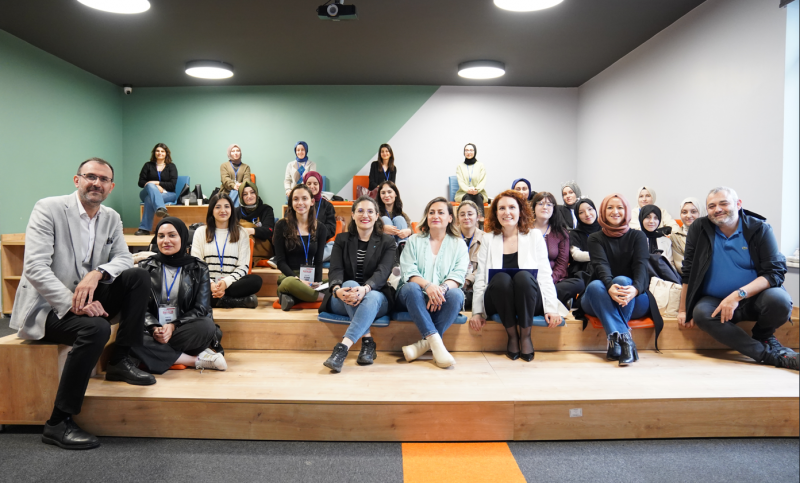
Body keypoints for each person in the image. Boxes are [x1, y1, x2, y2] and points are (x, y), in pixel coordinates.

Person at [10, 158, 156, 450]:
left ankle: (120, 360)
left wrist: (97, 272)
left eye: (103, 179)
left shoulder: (111, 217)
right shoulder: (49, 208)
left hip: (89, 295)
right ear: (77, 180)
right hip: (47, 306)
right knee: (96, 328)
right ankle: (58, 422)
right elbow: (35, 268)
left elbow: (123, 258)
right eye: (90, 176)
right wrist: (72, 302)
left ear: (111, 187)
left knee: (138, 276)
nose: (96, 183)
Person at [678, 187, 797, 370]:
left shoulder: (760, 229)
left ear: (738, 204)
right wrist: (683, 309)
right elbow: (688, 270)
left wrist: (737, 295)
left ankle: (763, 334)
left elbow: (774, 272)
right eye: (711, 206)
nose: (717, 209)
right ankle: (768, 355)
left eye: (723, 203)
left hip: (755, 298)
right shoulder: (699, 228)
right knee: (701, 314)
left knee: (780, 301)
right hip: (715, 300)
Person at [468, 191, 565, 361]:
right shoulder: (488, 239)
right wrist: (477, 312)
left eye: (512, 207)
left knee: (524, 277)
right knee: (501, 278)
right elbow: (481, 277)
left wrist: (551, 308)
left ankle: (526, 336)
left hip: (528, 297)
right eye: (502, 208)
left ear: (520, 211)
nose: (507, 212)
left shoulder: (534, 236)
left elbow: (544, 275)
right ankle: (512, 336)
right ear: (496, 213)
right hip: (498, 298)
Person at [133, 217, 227, 374]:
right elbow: (140, 308)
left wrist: (173, 326)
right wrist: (154, 327)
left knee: (206, 326)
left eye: (172, 235)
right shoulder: (145, 267)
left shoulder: (199, 268)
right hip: (154, 331)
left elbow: (201, 308)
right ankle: (195, 360)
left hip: (183, 330)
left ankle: (155, 353)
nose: (166, 241)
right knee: (130, 333)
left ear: (182, 238)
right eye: (161, 236)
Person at [320, 197, 396, 373]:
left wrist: (366, 288)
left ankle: (343, 347)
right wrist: (337, 290)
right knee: (350, 284)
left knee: (371, 296)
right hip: (344, 297)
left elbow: (383, 272)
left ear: (377, 216)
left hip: (376, 298)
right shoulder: (342, 239)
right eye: (360, 211)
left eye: (370, 211)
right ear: (353, 214)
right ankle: (367, 342)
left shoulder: (387, 242)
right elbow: (335, 269)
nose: (365, 215)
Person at [581, 193, 655, 366]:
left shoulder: (638, 236)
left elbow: (641, 268)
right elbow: (601, 266)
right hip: (598, 299)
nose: (615, 211)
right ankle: (626, 340)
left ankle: (615, 342)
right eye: (610, 207)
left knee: (622, 280)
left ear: (627, 211)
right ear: (603, 211)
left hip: (634, 298)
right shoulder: (595, 238)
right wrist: (609, 286)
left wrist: (635, 289)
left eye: (620, 207)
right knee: (595, 286)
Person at [396, 197, 468, 368]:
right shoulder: (414, 240)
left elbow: (458, 275)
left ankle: (424, 345)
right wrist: (428, 286)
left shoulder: (459, 244)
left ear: (450, 218)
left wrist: (440, 290)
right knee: (411, 288)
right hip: (413, 296)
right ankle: (436, 344)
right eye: (431, 212)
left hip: (441, 296)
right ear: (427, 217)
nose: (435, 216)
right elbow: (408, 271)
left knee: (457, 295)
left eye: (441, 212)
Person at [191, 193, 262, 309]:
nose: (223, 210)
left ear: (232, 210)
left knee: (256, 281)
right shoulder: (201, 232)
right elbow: (197, 265)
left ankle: (214, 300)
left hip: (231, 283)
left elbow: (243, 267)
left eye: (227, 206)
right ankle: (232, 301)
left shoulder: (241, 233)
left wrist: (225, 283)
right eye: (218, 207)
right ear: (212, 210)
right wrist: (211, 284)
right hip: (207, 283)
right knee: (192, 285)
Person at [273, 184, 328, 310]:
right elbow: (280, 261)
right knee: (289, 283)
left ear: (312, 201)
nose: (300, 203)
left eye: (304, 198)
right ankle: (324, 298)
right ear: (291, 202)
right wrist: (299, 280)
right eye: (296, 199)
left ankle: (292, 298)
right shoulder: (281, 225)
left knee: (336, 283)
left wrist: (317, 284)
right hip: (290, 278)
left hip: (311, 278)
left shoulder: (321, 228)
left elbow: (318, 260)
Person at [531, 192, 581, 306]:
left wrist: (549, 281)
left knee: (579, 283)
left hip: (554, 280)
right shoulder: (524, 230)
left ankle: (538, 300)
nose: (545, 207)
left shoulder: (561, 232)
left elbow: (562, 264)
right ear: (534, 207)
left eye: (549, 204)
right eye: (540, 203)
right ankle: (546, 301)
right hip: (530, 279)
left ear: (554, 209)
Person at [136, 143, 179, 236]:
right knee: (150, 185)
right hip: (147, 192)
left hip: (168, 194)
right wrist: (153, 186)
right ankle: (161, 208)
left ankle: (144, 229)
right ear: (154, 153)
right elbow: (141, 182)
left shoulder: (171, 166)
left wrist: (157, 183)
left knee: (149, 199)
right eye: (157, 151)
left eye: (162, 151)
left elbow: (172, 185)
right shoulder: (148, 165)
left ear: (166, 153)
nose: (160, 153)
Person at [238, 180, 276, 264]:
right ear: (241, 197)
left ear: (256, 194)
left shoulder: (266, 209)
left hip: (263, 248)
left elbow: (268, 230)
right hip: (240, 250)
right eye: (245, 194)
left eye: (252, 192)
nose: (249, 196)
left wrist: (249, 231)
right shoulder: (235, 212)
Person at [457, 200, 484, 311]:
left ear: (478, 217)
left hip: (476, 286)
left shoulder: (485, 239)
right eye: (462, 214)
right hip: (455, 285)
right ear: (457, 218)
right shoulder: (449, 237)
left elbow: (484, 266)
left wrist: (468, 280)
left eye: (470, 214)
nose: (466, 217)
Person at [303, 170, 336, 260]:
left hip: (319, 244)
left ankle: (308, 258)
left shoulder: (327, 206)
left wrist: (316, 231)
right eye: (308, 183)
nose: (312, 186)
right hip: (299, 243)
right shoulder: (299, 203)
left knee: (334, 247)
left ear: (320, 185)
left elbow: (331, 228)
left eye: (315, 183)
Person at [375, 180, 413, 252]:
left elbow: (411, 229)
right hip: (383, 247)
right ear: (380, 196)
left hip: (401, 247)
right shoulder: (375, 213)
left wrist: (409, 231)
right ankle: (391, 249)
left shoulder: (402, 214)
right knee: (385, 219)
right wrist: (381, 229)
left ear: (395, 194)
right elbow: (368, 229)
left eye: (389, 192)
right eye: (383, 193)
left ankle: (403, 248)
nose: (386, 195)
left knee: (399, 219)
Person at [568, 198, 601, 278]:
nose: (587, 214)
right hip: (583, 271)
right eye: (581, 212)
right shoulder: (575, 233)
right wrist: (600, 256)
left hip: (605, 268)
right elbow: (576, 255)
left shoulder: (605, 229)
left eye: (590, 209)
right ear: (577, 216)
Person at [454, 143, 487, 219]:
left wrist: (477, 189)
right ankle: (467, 220)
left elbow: (482, 181)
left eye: (471, 150)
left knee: (478, 196)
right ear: (464, 152)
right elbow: (460, 181)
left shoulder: (481, 165)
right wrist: (467, 190)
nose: (469, 152)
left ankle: (481, 221)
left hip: (479, 192)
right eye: (466, 150)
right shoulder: (460, 166)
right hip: (463, 193)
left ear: (475, 152)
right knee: (468, 196)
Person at [671, 197, 703, 272]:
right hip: (689, 276)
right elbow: (680, 266)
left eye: (693, 212)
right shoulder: (676, 236)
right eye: (684, 212)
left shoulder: (710, 233)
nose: (688, 216)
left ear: (701, 212)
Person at [219, 144, 251, 208]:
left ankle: (232, 210)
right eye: (233, 151)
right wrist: (234, 186)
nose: (235, 153)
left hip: (241, 192)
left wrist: (240, 186)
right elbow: (225, 179)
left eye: (237, 151)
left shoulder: (246, 167)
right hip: (226, 193)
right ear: (229, 153)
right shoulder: (224, 165)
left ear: (240, 153)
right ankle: (234, 210)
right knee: (235, 192)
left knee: (237, 192)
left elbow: (247, 180)